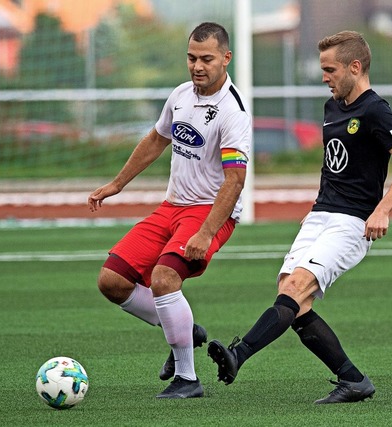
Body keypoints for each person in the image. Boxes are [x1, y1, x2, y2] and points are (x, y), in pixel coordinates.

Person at [207, 30, 392, 404]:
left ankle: (238, 354)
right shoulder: (332, 107)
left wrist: (382, 210)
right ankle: (353, 379)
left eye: (331, 69)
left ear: (355, 67)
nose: (325, 77)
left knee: (294, 291)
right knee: (292, 298)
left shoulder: (375, 110)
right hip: (320, 215)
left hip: (352, 223)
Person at [87, 22, 251, 399]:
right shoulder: (180, 95)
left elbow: (234, 182)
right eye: (192, 58)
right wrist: (117, 184)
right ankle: (181, 328)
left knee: (164, 279)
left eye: (207, 59)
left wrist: (207, 232)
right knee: (112, 280)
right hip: (171, 207)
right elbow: (156, 139)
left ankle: (188, 379)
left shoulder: (233, 111)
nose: (197, 66)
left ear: (226, 58)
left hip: (210, 213)